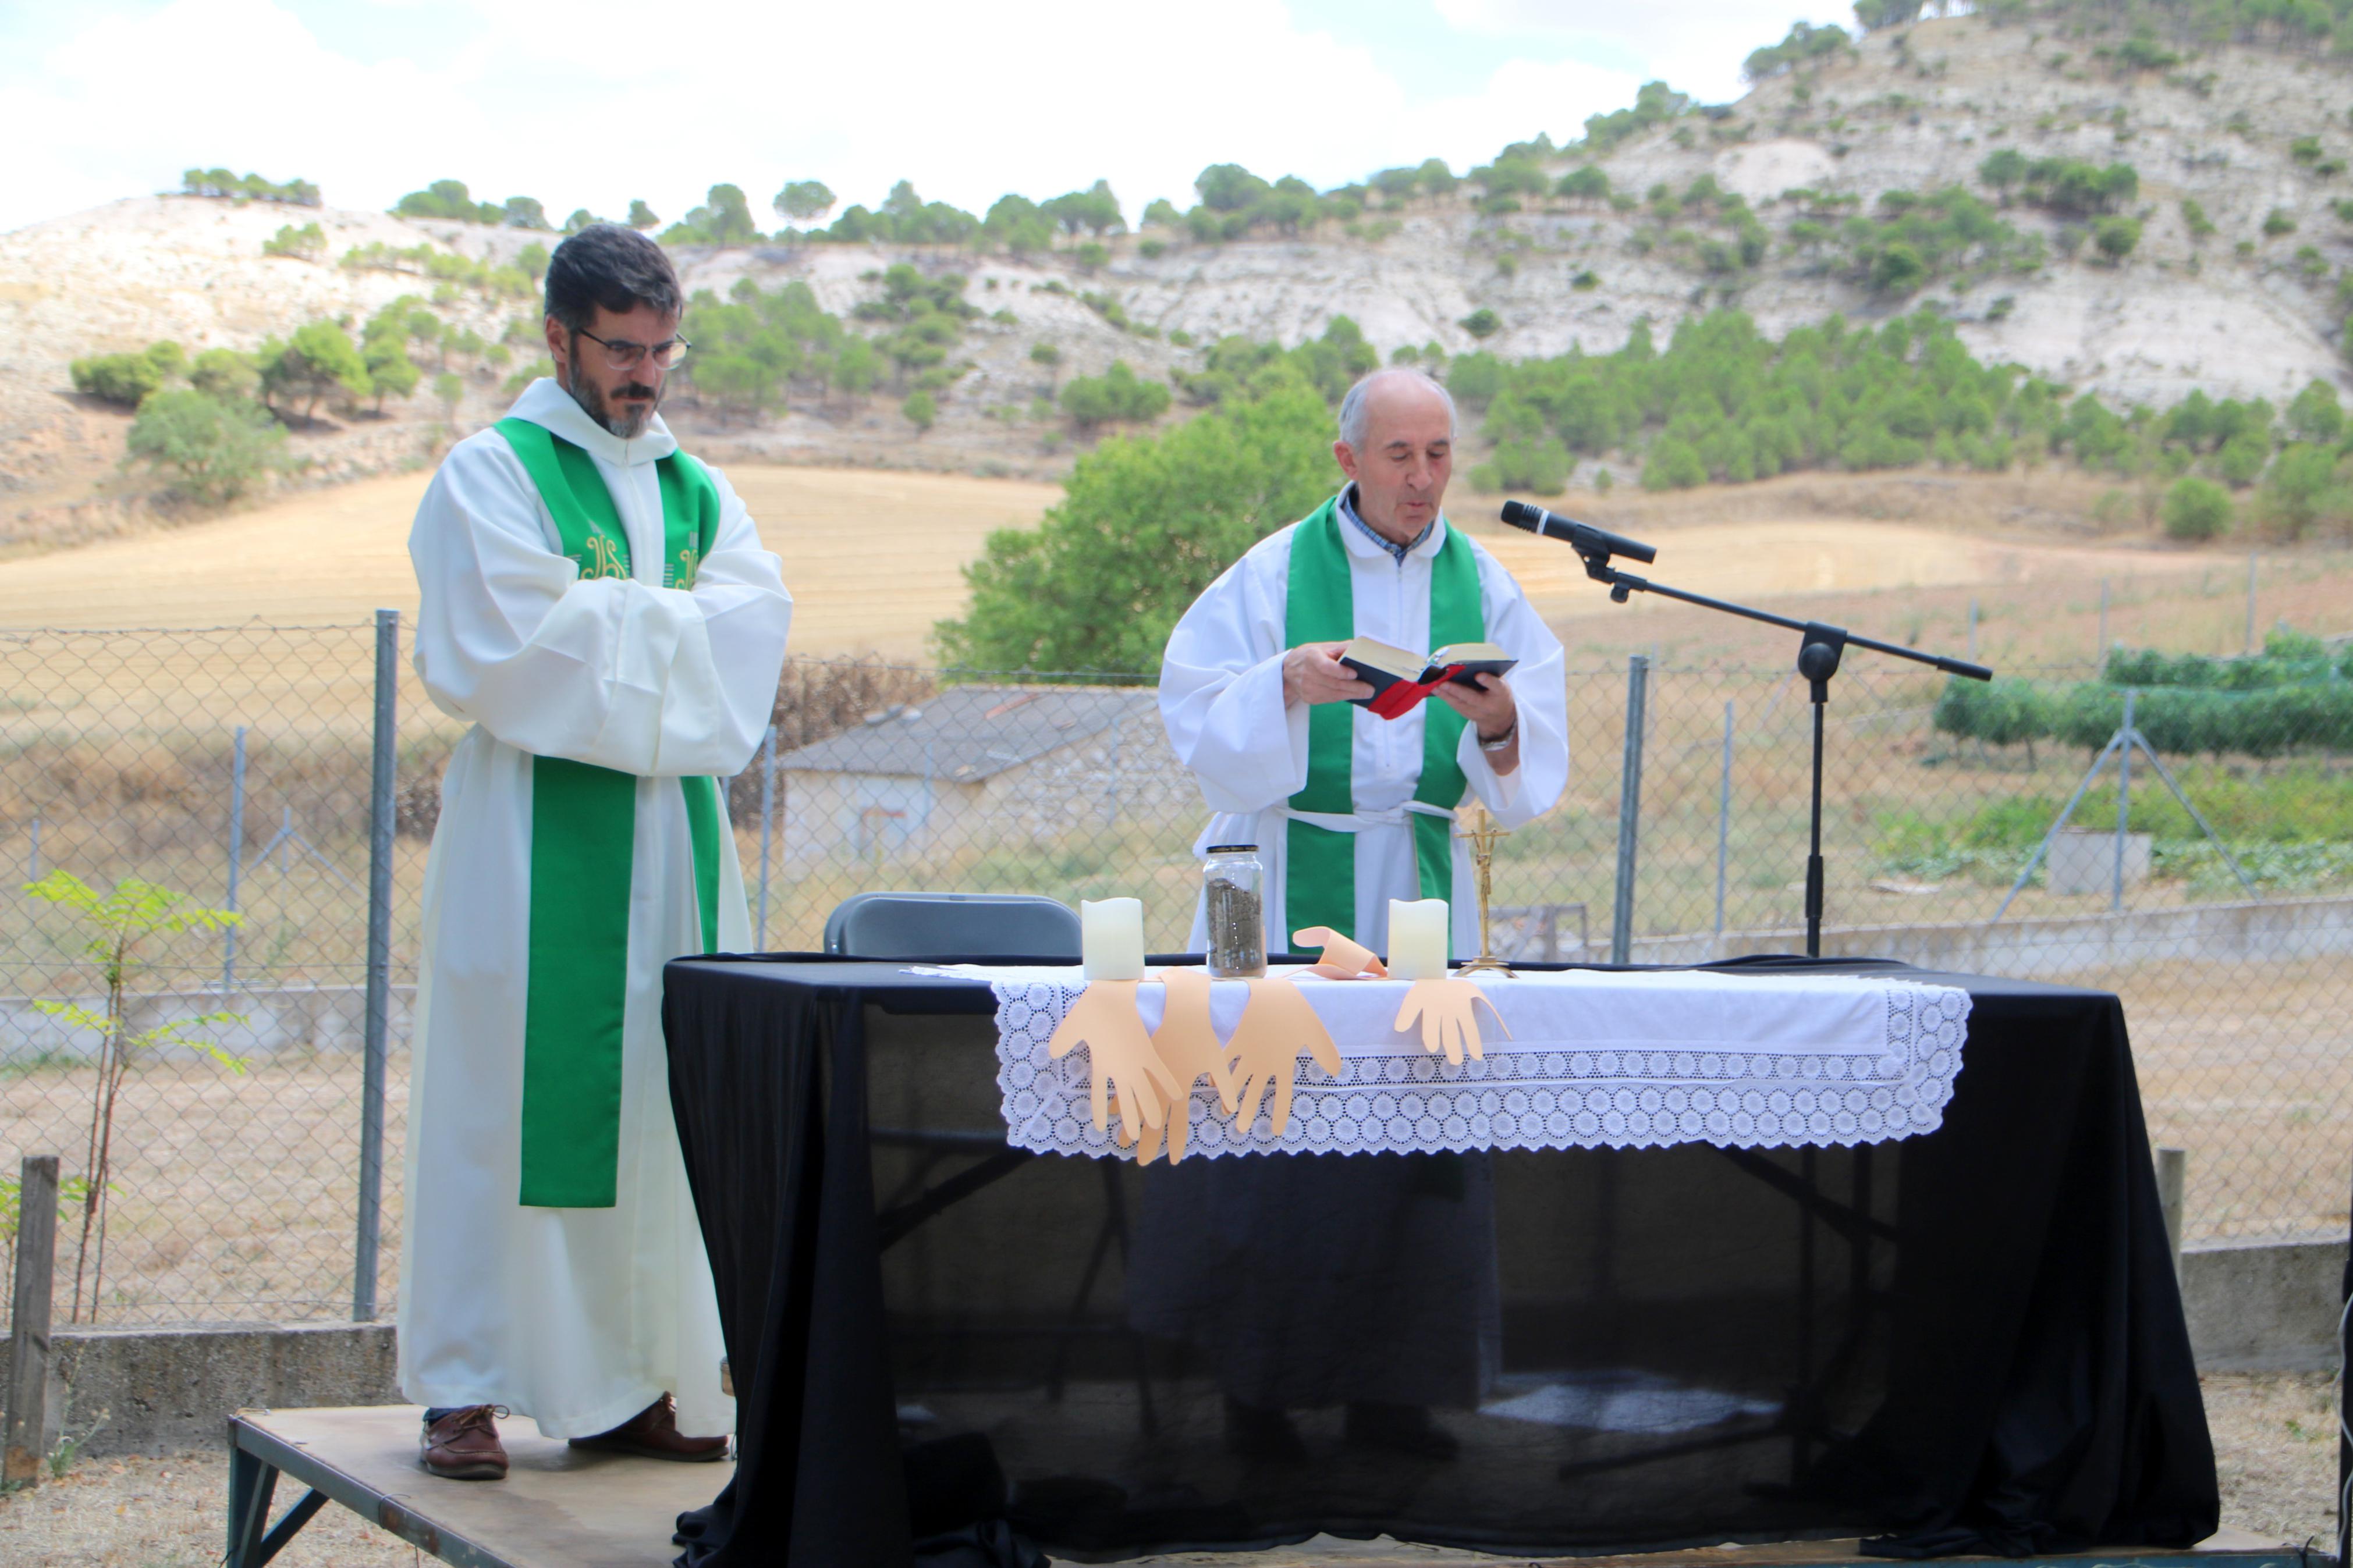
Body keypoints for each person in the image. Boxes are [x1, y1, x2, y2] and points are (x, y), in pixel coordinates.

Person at [398, 225, 792, 1481]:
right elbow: (513, 648)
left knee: (661, 1111)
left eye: (662, 349)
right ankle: (465, 1387)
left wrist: (616, 620)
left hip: (672, 836)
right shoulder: (489, 473)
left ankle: (631, 1383)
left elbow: (755, 631)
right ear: (557, 336)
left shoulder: (698, 489)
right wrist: (664, 629)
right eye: (620, 350)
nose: (644, 376)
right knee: (502, 1102)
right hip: (532, 837)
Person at [1137, 367, 1569, 1462]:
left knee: (1420, 1137)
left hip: (1420, 876)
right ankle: (1254, 1394)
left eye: (1439, 455)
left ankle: (1398, 1391)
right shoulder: (1274, 572)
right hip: (1257, 872)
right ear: (1348, 462)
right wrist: (1282, 679)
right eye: (1399, 457)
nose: (1423, 479)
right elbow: (1189, 710)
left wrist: (1505, 715)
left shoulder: (1487, 583)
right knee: (1253, 1124)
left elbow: (1528, 767)